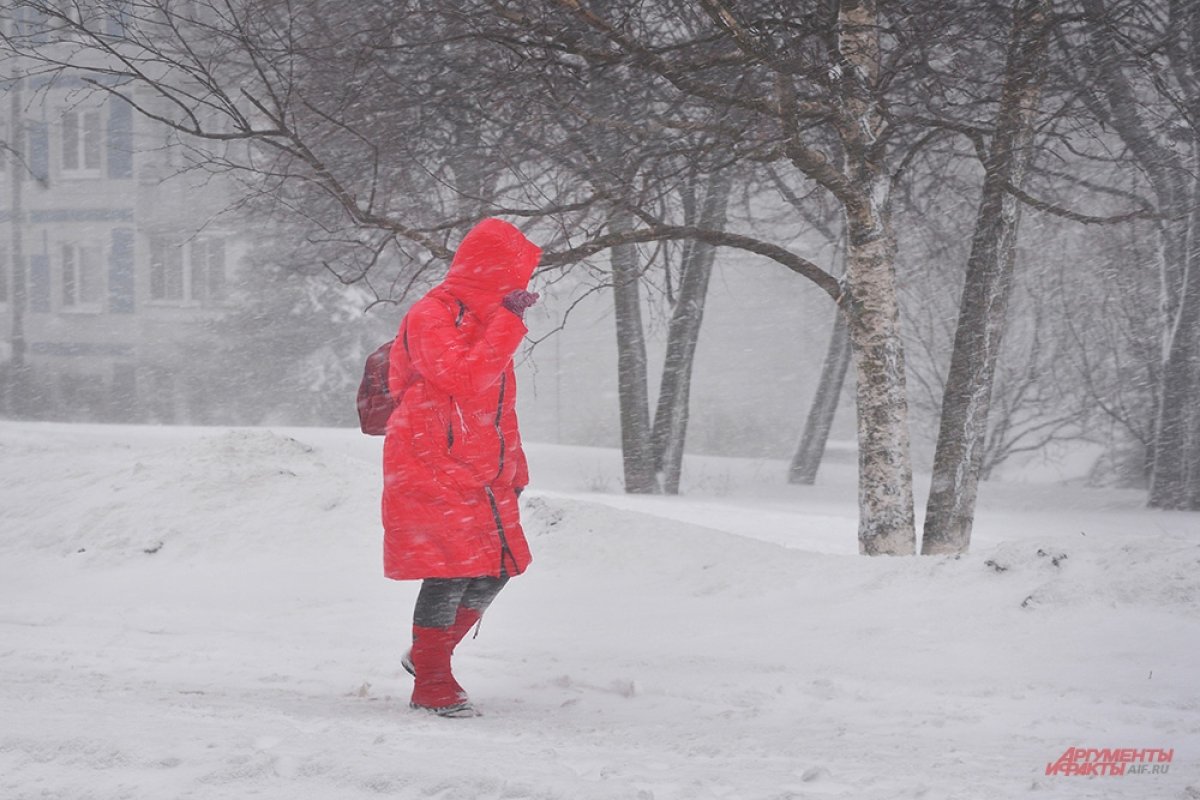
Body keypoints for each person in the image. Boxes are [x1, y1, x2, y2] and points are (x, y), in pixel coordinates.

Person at [381, 217, 541, 718]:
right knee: (449, 571)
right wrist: (508, 323)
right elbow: (464, 378)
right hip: (430, 464)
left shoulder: (487, 319)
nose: (522, 286)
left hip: (482, 473)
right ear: (490, 270)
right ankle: (430, 680)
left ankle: (430, 655)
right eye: (515, 274)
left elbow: (497, 410)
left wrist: (514, 468)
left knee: (501, 568)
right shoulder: (433, 313)